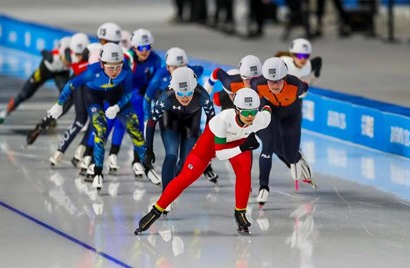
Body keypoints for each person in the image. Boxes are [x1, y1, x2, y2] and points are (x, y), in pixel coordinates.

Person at [134, 88, 272, 236]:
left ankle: (240, 213)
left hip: (238, 142)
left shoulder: (261, 119)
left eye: (253, 112)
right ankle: (156, 211)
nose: (250, 116)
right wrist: (243, 147)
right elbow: (220, 154)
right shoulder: (223, 120)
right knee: (186, 177)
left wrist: (265, 98)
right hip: (210, 144)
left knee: (244, 172)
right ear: (237, 110)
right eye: (245, 112)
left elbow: (268, 109)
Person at [45, 43, 152, 191]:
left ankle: (145, 165)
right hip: (93, 95)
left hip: (114, 95)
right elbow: (70, 85)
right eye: (110, 67)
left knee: (132, 125)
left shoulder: (126, 70)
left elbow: (128, 93)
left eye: (118, 66)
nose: (114, 71)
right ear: (102, 65)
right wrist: (59, 104)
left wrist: (117, 107)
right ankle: (96, 170)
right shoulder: (92, 72)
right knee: (100, 128)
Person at [47, 23, 123, 167]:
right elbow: (74, 77)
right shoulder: (92, 53)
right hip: (89, 89)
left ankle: (83, 153)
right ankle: (69, 152)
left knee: (99, 124)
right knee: (83, 120)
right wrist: (60, 104)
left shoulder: (121, 56)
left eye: (112, 43)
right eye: (105, 42)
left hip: (106, 93)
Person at [142, 47, 218, 182]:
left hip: (190, 115)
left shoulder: (196, 75)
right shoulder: (159, 77)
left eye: (183, 66)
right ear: (167, 67)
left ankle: (176, 180)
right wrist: (147, 118)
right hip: (169, 112)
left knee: (186, 160)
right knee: (171, 154)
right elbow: (147, 98)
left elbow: (211, 121)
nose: (180, 71)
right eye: (175, 68)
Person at [251, 57, 315, 207]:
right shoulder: (257, 84)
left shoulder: (297, 86)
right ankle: (264, 187)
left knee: (290, 156)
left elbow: (305, 88)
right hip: (270, 113)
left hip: (290, 117)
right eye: (270, 81)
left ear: (285, 78)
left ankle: (297, 157)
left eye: (278, 81)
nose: (274, 85)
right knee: (268, 146)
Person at [107, 28, 162, 177]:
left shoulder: (156, 59)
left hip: (140, 93)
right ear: (134, 47)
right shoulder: (126, 58)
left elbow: (156, 80)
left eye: (148, 47)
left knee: (139, 125)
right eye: (141, 48)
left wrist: (149, 88)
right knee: (120, 123)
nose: (144, 51)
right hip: (126, 91)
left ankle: (136, 160)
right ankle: (113, 154)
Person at [0, 36, 73, 127]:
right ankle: (3, 114)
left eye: (69, 63)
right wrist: (46, 54)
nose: (68, 64)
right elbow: (43, 51)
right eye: (66, 61)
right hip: (44, 71)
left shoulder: (73, 56)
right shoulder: (53, 57)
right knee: (24, 94)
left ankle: (52, 117)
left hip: (61, 73)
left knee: (65, 94)